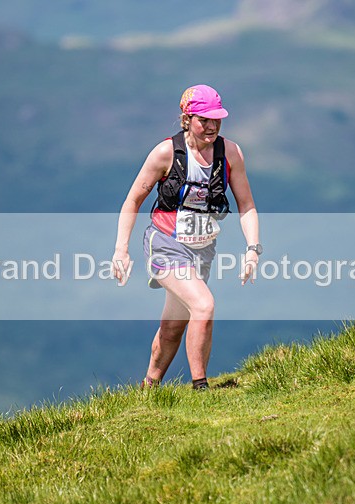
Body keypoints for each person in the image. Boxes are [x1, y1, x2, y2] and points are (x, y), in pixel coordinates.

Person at [112, 84, 262, 390]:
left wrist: (253, 249)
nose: (211, 126)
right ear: (187, 118)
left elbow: (246, 205)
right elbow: (132, 201)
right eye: (203, 120)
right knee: (204, 306)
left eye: (216, 119)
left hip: (202, 250)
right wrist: (121, 250)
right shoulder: (166, 152)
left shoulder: (230, 153)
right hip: (165, 245)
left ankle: (148, 388)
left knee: (172, 327)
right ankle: (201, 388)